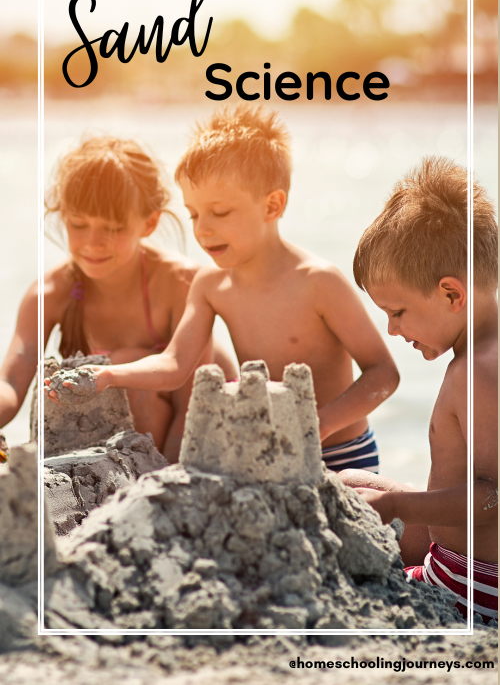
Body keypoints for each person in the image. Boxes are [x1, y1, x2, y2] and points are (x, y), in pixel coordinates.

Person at [47, 106, 400, 474]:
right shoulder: (210, 285)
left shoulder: (318, 282)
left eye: (220, 212)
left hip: (341, 450)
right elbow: (174, 364)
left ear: (272, 205)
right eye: (194, 214)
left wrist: (320, 424)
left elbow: (383, 373)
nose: (203, 230)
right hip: (268, 451)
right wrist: (109, 375)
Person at [2, 136, 236, 462]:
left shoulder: (180, 284)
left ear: (149, 223)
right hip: (128, 438)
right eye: (78, 224)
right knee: (57, 386)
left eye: (112, 228)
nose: (93, 243)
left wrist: (162, 482)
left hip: (208, 421)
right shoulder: (50, 293)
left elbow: (191, 407)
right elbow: (11, 384)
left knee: (124, 362)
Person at [340, 156, 498, 624]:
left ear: (452, 295)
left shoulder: (479, 373)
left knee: (353, 505)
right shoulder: (483, 354)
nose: (391, 330)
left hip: (471, 588)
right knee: (349, 486)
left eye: (398, 311)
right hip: (469, 562)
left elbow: (492, 496)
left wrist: (396, 504)